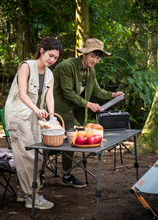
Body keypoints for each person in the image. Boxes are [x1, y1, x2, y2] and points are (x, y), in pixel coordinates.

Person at [53, 38, 124, 187]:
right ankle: (37, 173)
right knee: (52, 143)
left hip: (72, 111)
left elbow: (96, 91)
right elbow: (67, 92)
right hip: (57, 110)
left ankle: (67, 176)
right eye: (93, 56)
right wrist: (88, 104)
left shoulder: (91, 71)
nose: (95, 60)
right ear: (84, 54)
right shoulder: (67, 66)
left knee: (71, 142)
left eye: (98, 58)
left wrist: (113, 95)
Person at [4, 37, 63, 210]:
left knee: (38, 154)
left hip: (34, 116)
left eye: (55, 58)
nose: (51, 60)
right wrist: (37, 110)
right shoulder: (26, 66)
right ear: (42, 50)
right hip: (18, 115)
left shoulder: (50, 74)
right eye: (50, 55)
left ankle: (24, 192)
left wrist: (51, 117)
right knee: (27, 155)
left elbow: (49, 97)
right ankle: (32, 195)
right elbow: (22, 94)